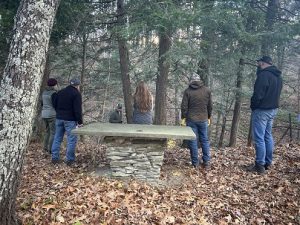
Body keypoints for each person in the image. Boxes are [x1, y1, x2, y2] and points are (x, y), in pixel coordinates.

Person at [247, 56, 282, 174]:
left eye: (259, 62)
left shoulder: (264, 75)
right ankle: (267, 162)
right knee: (267, 136)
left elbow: (258, 94)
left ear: (263, 63)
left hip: (262, 110)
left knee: (259, 138)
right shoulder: (278, 76)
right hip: (273, 109)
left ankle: (260, 165)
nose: (258, 64)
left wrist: (254, 106)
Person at [181, 73, 212, 168]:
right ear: (199, 80)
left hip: (191, 119)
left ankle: (195, 163)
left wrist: (183, 117)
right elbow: (210, 106)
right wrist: (209, 117)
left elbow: (184, 107)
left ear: (191, 81)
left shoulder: (187, 91)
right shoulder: (207, 90)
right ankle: (206, 162)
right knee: (205, 140)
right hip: (203, 119)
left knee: (193, 141)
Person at [51, 78, 83, 166]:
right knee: (71, 140)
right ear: (77, 85)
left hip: (59, 118)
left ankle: (54, 158)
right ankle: (70, 160)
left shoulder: (61, 92)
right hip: (70, 120)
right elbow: (77, 109)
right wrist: (80, 122)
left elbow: (54, 103)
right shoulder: (76, 94)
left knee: (57, 138)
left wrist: (59, 112)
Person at [41, 78, 58, 154]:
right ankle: (50, 149)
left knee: (47, 132)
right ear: (54, 85)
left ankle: (44, 148)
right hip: (52, 115)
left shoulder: (44, 92)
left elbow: (42, 104)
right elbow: (56, 105)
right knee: (53, 132)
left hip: (44, 114)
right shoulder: (54, 93)